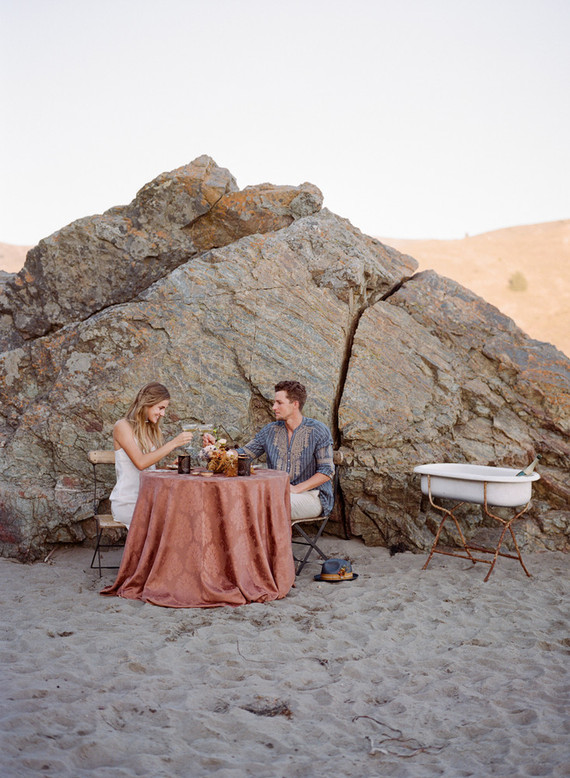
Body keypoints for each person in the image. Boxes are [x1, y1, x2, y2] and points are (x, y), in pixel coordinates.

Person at [206, 381, 334, 520]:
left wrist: (296, 489)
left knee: (267, 505)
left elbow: (326, 471)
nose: (274, 407)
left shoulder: (318, 430)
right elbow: (243, 454)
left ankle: (267, 542)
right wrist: (216, 449)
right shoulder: (270, 431)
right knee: (240, 500)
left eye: (279, 403)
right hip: (277, 493)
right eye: (274, 403)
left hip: (312, 495)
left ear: (295, 404)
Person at [110, 382, 194, 528]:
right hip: (128, 501)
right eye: (160, 408)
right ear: (147, 404)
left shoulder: (153, 430)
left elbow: (149, 470)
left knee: (185, 514)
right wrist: (173, 443)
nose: (163, 414)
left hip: (149, 499)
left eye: (165, 409)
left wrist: (168, 469)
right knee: (171, 523)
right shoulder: (122, 426)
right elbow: (140, 463)